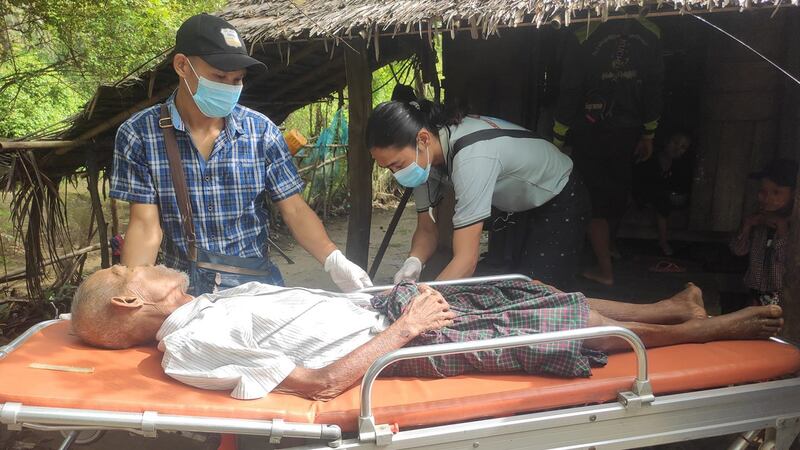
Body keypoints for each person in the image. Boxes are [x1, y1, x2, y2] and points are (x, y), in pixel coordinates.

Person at [71, 265, 783, 401]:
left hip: (387, 308)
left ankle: (668, 307)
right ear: (132, 298)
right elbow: (320, 383)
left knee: (531, 288)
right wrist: (406, 326)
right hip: (401, 340)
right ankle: (717, 326)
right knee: (568, 327)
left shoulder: (206, 305)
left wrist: (383, 295)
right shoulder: (189, 347)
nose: (152, 260)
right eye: (135, 267)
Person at [110, 13, 371, 295]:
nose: (229, 87)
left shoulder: (262, 132)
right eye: (219, 77)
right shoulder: (140, 134)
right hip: (185, 294)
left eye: (237, 80)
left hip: (256, 286)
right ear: (182, 66)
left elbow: (294, 209)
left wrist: (333, 260)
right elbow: (145, 226)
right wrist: (133, 291)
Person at [366, 100, 590, 289]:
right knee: (519, 287)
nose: (397, 174)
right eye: (389, 169)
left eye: (397, 164)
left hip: (560, 195)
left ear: (422, 139)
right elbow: (426, 228)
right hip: (522, 205)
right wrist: (413, 261)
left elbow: (466, 260)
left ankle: (620, 328)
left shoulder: (471, 156)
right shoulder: (424, 162)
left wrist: (422, 302)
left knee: (543, 296)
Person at [553, 17, 664, 286]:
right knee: (617, 190)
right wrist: (649, 132)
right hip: (628, 129)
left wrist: (558, 137)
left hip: (592, 129)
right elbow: (654, 86)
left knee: (594, 199)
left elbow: (570, 89)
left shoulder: (585, 31)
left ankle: (604, 270)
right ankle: (610, 248)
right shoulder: (650, 32)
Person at [730, 159, 798, 308]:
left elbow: (787, 262)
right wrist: (747, 226)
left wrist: (782, 228)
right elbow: (738, 250)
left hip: (784, 297)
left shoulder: (795, 227)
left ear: (794, 194)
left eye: (776, 192)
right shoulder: (758, 219)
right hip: (755, 293)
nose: (767, 198)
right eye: (763, 191)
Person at [632, 131, 694, 257]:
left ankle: (663, 241)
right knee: (661, 200)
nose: (677, 149)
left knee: (665, 201)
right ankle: (663, 242)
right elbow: (641, 180)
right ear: (666, 141)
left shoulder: (680, 165)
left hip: (665, 197)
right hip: (645, 192)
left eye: (683, 147)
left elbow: (679, 185)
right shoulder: (651, 157)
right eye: (675, 143)